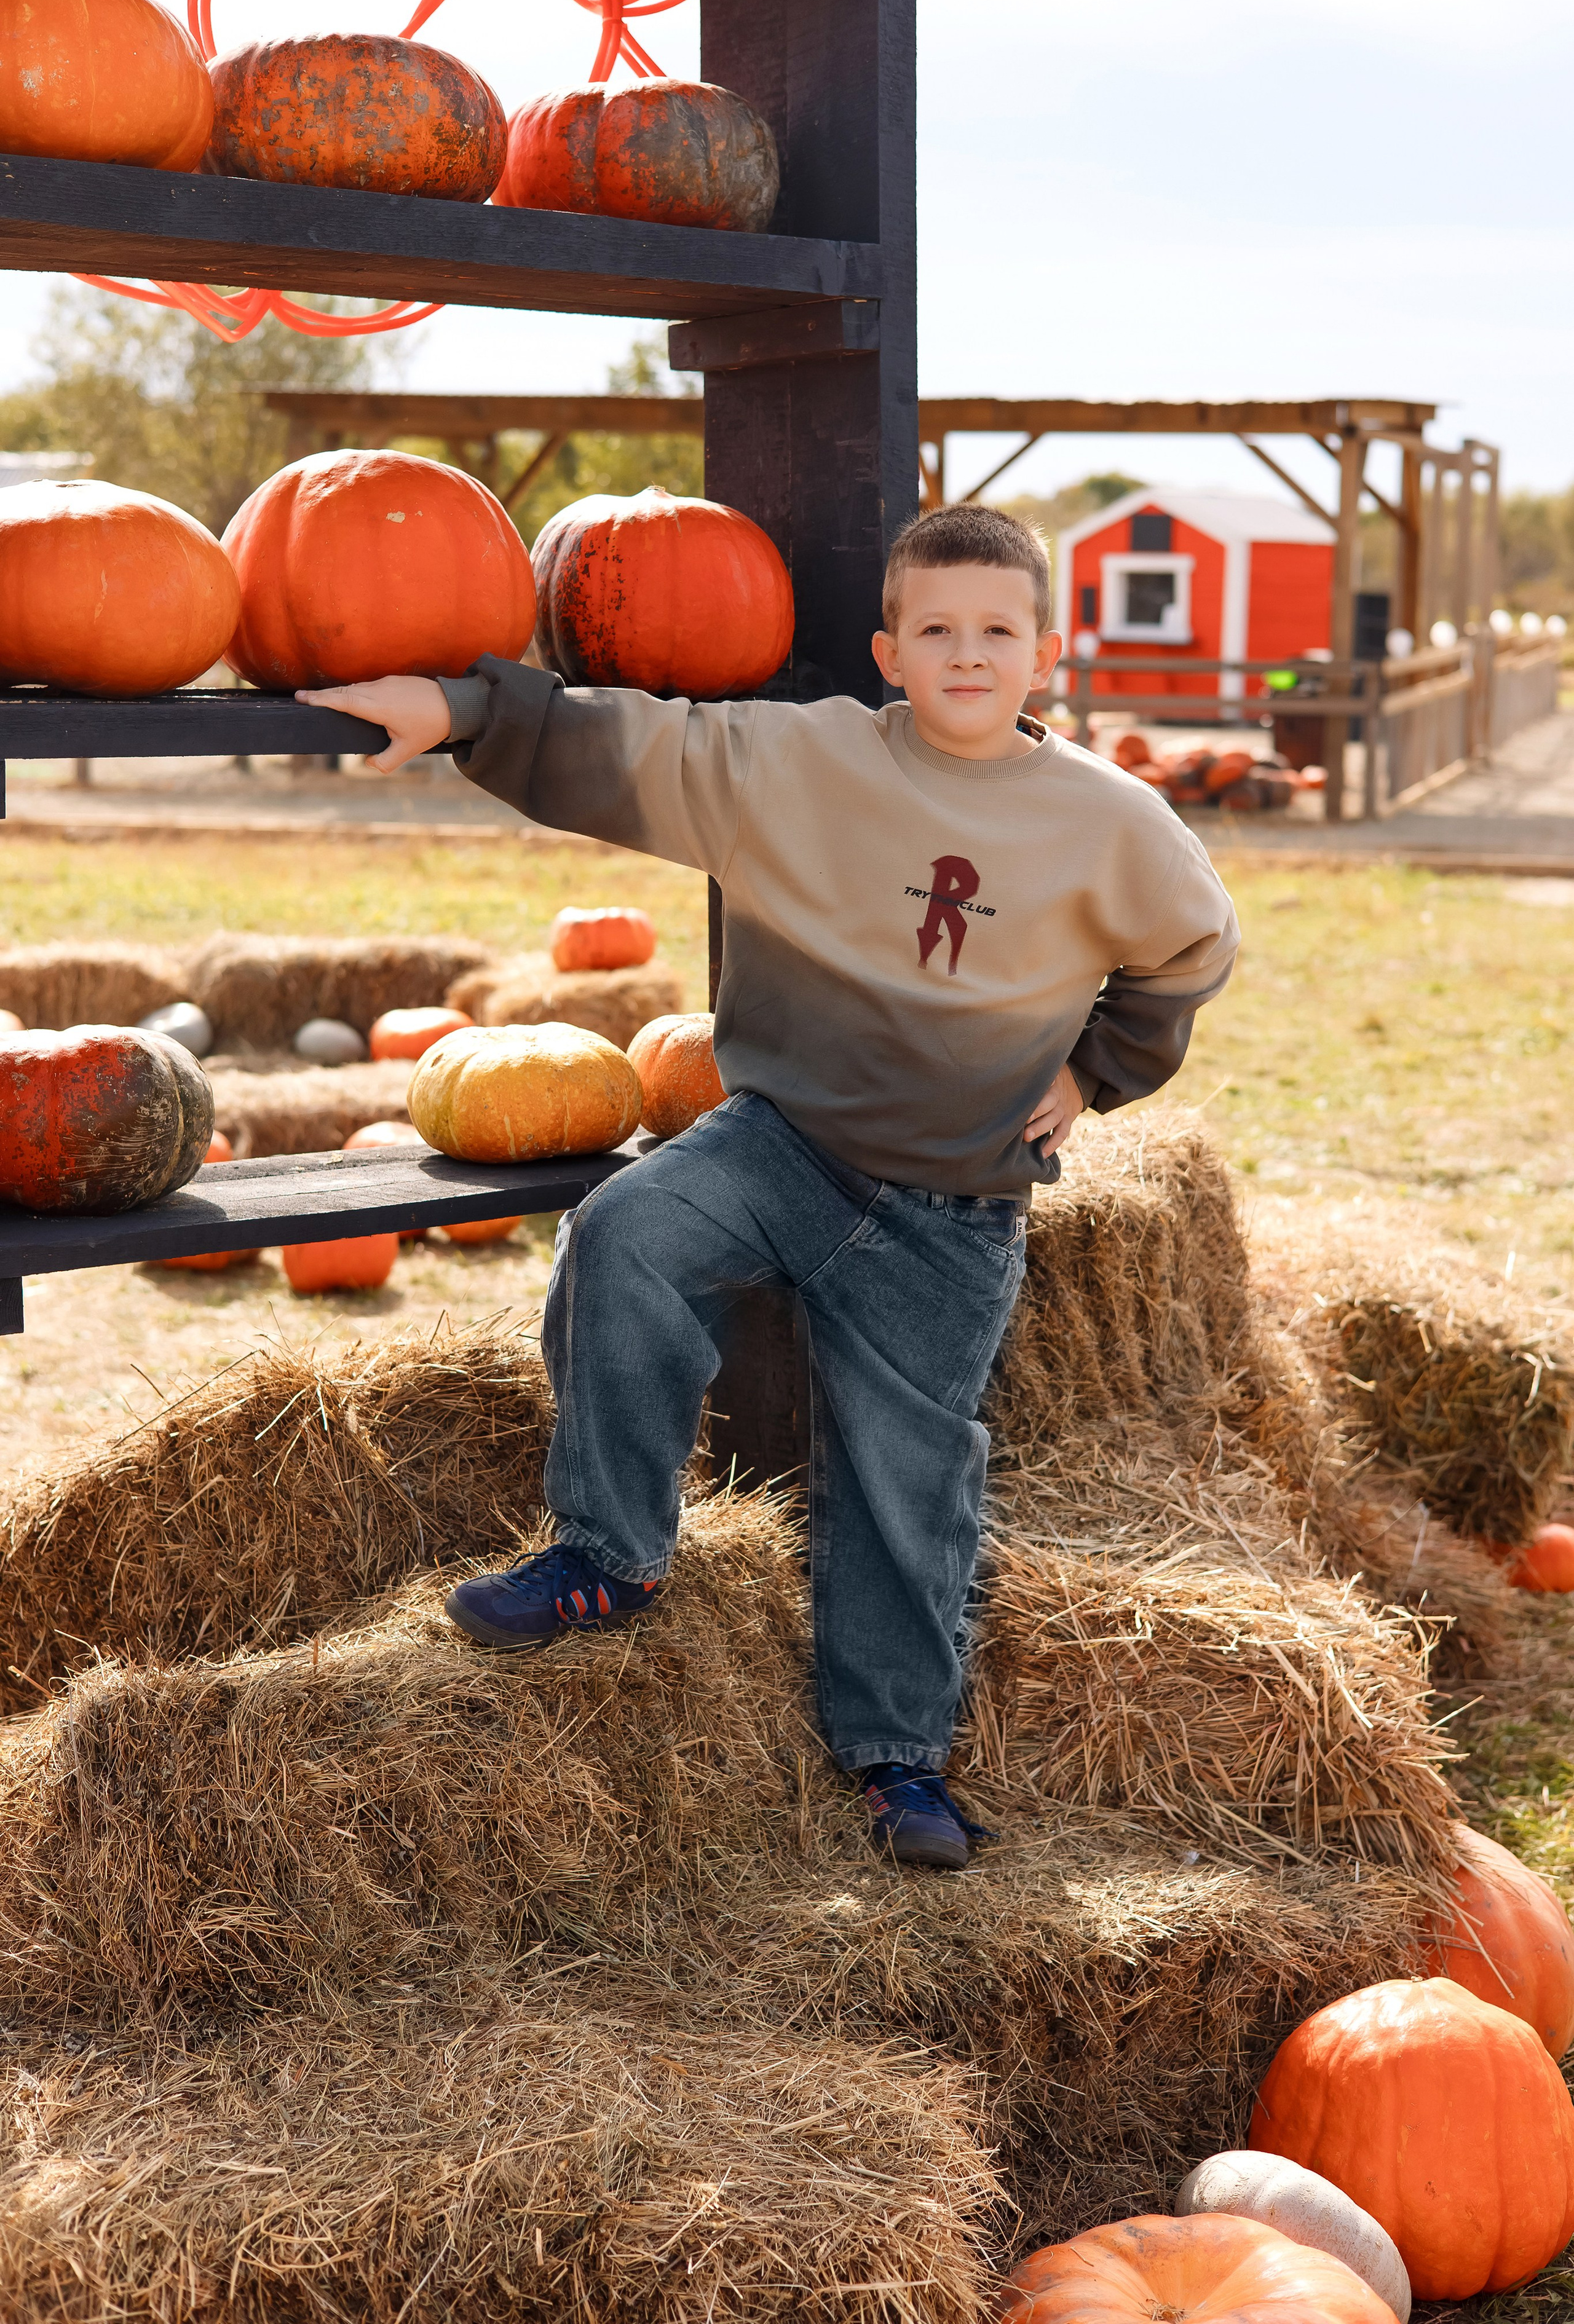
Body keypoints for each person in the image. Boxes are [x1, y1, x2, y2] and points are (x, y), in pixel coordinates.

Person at [299, 504, 1238, 1870]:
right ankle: (609, 1555)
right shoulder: (800, 763)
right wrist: (455, 707)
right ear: (888, 649)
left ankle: (894, 1756)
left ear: (1044, 650)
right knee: (621, 1234)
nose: (964, 655)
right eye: (935, 630)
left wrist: (1098, 1071)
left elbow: (1191, 950)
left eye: (994, 631)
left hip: (949, 1210)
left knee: (904, 1473)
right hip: (781, 1145)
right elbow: (624, 745)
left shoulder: (1112, 824)